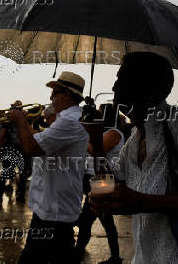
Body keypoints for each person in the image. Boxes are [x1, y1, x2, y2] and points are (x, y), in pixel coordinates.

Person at [89, 52, 178, 263]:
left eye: (123, 79)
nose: (114, 87)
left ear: (147, 88)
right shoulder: (135, 139)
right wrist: (96, 144)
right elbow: (111, 183)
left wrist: (142, 202)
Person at [8, 71, 89, 264]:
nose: (51, 97)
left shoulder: (69, 121)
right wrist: (27, 124)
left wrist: (21, 121)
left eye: (55, 93)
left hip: (54, 211)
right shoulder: (66, 119)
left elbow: (32, 147)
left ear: (67, 95)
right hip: (53, 207)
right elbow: (42, 142)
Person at [74, 103, 123, 264]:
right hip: (98, 180)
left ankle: (80, 251)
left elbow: (96, 150)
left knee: (93, 218)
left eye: (101, 113)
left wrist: (84, 136)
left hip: (104, 181)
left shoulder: (113, 132)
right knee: (96, 218)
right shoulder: (106, 131)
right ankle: (112, 256)